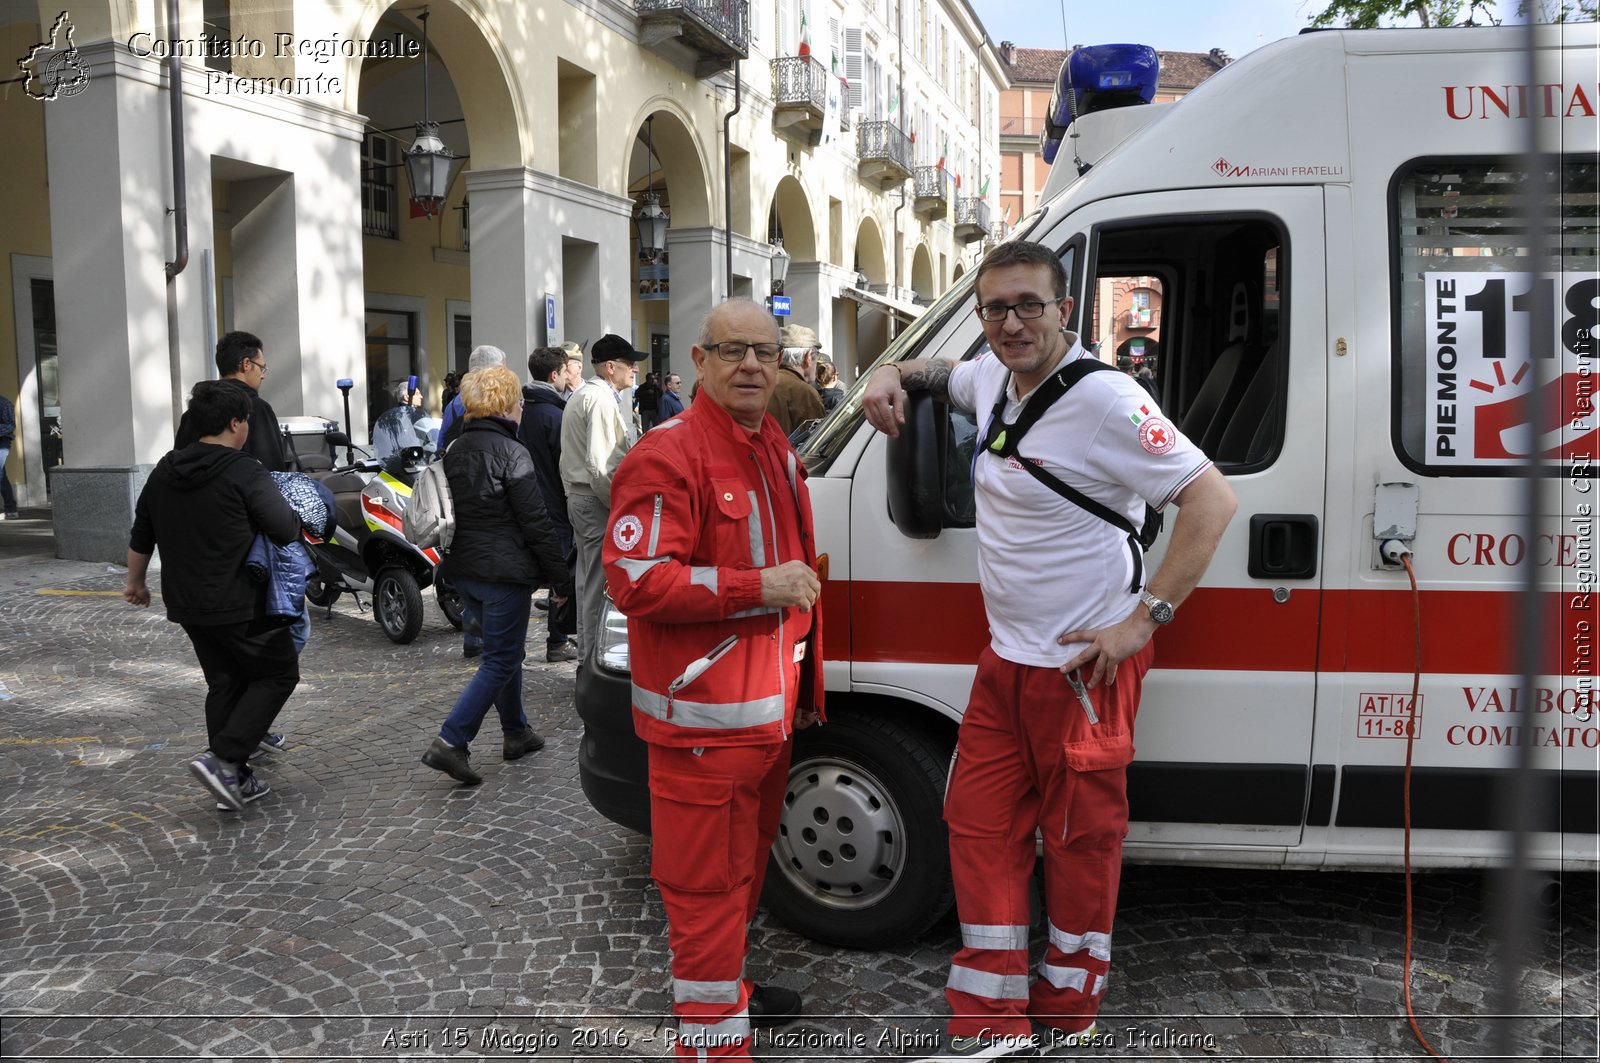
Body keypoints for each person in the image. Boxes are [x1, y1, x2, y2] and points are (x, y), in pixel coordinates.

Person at [862, 241, 1237, 1060]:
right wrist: (885, 371)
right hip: (1006, 662)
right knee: (979, 824)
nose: (1011, 322)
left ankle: (1069, 1001)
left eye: (1030, 304)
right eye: (996, 307)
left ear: (1065, 309)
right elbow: (935, 372)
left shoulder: (1109, 399)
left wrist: (1144, 619)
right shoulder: (990, 375)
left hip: (1086, 669)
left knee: (1079, 840)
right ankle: (991, 1016)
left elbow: (1212, 497)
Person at [603, 299, 823, 1061]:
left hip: (765, 719)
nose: (753, 365)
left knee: (741, 879)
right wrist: (756, 585)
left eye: (765, 351)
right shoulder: (669, 454)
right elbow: (634, 578)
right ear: (698, 361)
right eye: (732, 350)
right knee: (704, 892)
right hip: (702, 727)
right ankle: (709, 1044)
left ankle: (729, 990)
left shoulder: (773, 446)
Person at [125, 380, 305, 812]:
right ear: (234, 423)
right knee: (278, 673)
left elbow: (141, 533)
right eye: (245, 421)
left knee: (225, 680)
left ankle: (233, 779)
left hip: (187, 602)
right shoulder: (244, 470)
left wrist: (136, 583)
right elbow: (283, 529)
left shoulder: (165, 469)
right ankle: (224, 760)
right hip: (241, 600)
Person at [421, 366, 573, 787]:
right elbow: (536, 522)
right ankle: (451, 741)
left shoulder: (454, 447)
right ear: (507, 404)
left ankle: (516, 731)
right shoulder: (512, 452)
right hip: (503, 573)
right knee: (502, 658)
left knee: (503, 653)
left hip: (464, 570)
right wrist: (560, 580)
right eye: (519, 402)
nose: (522, 408)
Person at [559, 333, 643, 657]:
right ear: (611, 367)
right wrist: (619, 505)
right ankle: (590, 662)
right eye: (629, 363)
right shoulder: (600, 400)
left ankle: (586, 658)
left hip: (581, 498)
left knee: (587, 582)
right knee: (595, 585)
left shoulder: (584, 396)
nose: (634, 369)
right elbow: (599, 466)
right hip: (593, 500)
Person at [518, 346, 578, 663]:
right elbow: (565, 467)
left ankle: (495, 636)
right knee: (560, 576)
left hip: (525, 504)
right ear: (554, 375)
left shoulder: (522, 411)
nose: (570, 375)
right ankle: (557, 642)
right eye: (567, 370)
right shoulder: (556, 415)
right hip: (554, 507)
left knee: (525, 574)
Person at [175, 331, 286, 471]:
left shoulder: (193, 411)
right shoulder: (257, 409)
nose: (262, 376)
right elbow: (273, 471)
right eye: (262, 368)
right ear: (246, 364)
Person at [440, 345, 508, 449]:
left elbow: (441, 446)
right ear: (492, 373)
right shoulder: (497, 403)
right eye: (503, 371)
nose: (506, 377)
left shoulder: (453, 405)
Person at [767, 323, 825, 435]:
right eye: (816, 355)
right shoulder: (805, 393)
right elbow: (816, 445)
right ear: (808, 357)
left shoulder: (762, 383)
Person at [0, 390, 18, 519]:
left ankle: (11, 508)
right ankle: (10, 507)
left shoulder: (4, 403)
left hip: (2, 442)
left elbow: (11, 425)